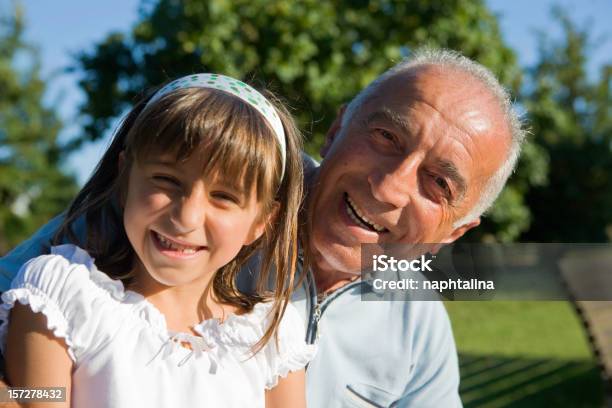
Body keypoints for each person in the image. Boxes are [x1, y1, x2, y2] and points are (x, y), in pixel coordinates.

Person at [0, 48, 525, 407]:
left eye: (438, 182)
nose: (390, 186)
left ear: (454, 232)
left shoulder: (414, 317)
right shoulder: (207, 188)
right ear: (338, 128)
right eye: (386, 136)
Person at [0, 73, 316, 408]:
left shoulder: (271, 338)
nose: (186, 217)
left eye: (223, 196)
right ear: (125, 179)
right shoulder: (65, 295)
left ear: (261, 222)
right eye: (166, 180)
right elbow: (37, 397)